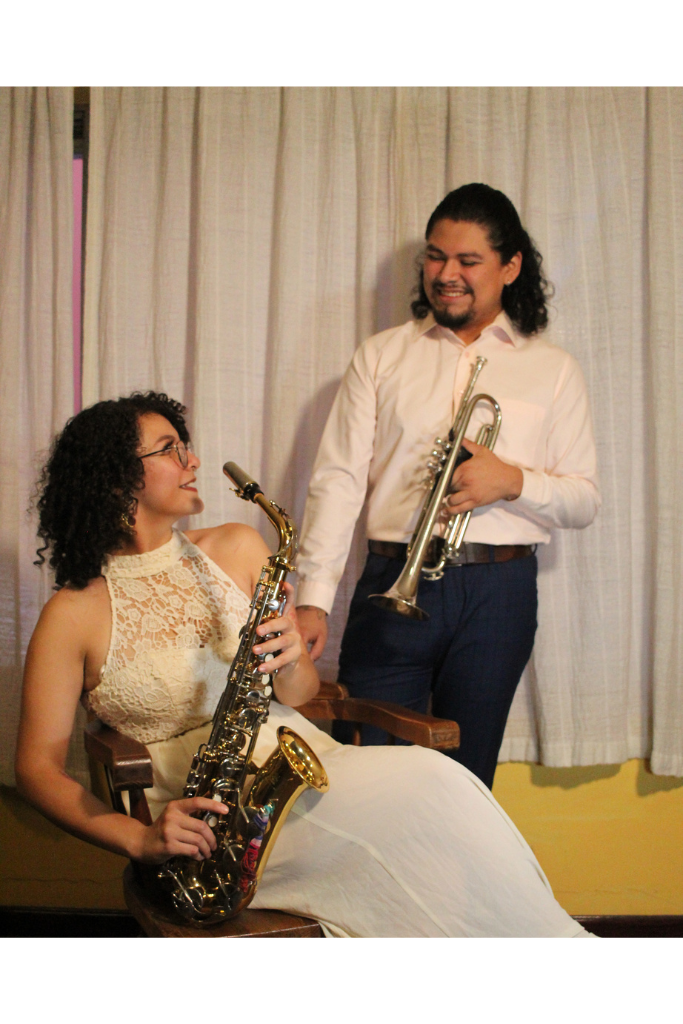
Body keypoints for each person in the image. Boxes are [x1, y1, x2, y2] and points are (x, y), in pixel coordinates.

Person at [15, 391, 593, 938]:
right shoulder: (71, 615)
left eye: (185, 444)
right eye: (170, 449)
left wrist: (291, 658)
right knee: (418, 824)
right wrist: (138, 840)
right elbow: (37, 769)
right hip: (210, 825)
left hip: (298, 759)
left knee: (440, 785)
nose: (193, 460)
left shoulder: (239, 546)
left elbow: (298, 693)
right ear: (117, 476)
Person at [296, 183, 601, 790]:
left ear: (510, 267)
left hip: (499, 592)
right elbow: (338, 480)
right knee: (367, 774)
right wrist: (313, 597)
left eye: (468, 260)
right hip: (392, 577)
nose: (446, 274)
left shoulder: (554, 369)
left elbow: (584, 499)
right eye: (435, 257)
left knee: (467, 781)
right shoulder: (381, 356)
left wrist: (512, 481)